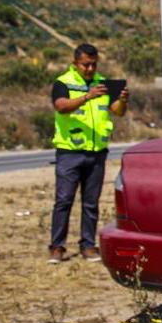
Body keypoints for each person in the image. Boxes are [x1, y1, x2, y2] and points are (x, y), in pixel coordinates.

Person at [49, 43, 128, 263]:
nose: (90, 69)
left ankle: (88, 246)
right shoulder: (63, 82)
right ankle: (57, 247)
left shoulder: (103, 83)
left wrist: (122, 99)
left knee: (91, 202)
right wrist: (87, 96)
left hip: (96, 152)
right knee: (64, 200)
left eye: (94, 64)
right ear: (75, 63)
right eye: (86, 65)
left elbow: (118, 112)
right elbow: (61, 106)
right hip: (70, 151)